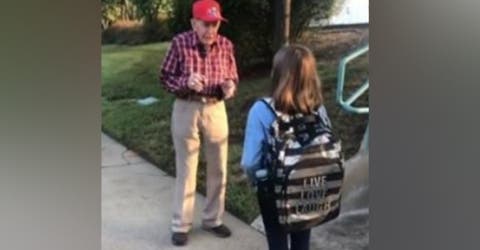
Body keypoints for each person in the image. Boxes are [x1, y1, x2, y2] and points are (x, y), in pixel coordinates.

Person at [159, 0, 238, 246]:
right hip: (187, 107)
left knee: (219, 167)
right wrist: (185, 82)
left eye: (215, 24)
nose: (211, 30)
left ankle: (213, 219)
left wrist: (229, 87)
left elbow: (232, 75)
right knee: (186, 167)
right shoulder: (180, 43)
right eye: (205, 24)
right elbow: (165, 78)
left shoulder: (225, 45)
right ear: (194, 23)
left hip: (216, 109)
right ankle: (181, 224)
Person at [241, 44, 332, 250]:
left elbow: (250, 161)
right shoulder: (318, 108)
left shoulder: (261, 110)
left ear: (278, 74)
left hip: (274, 190)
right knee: (302, 240)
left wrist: (256, 181)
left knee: (277, 242)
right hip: (309, 185)